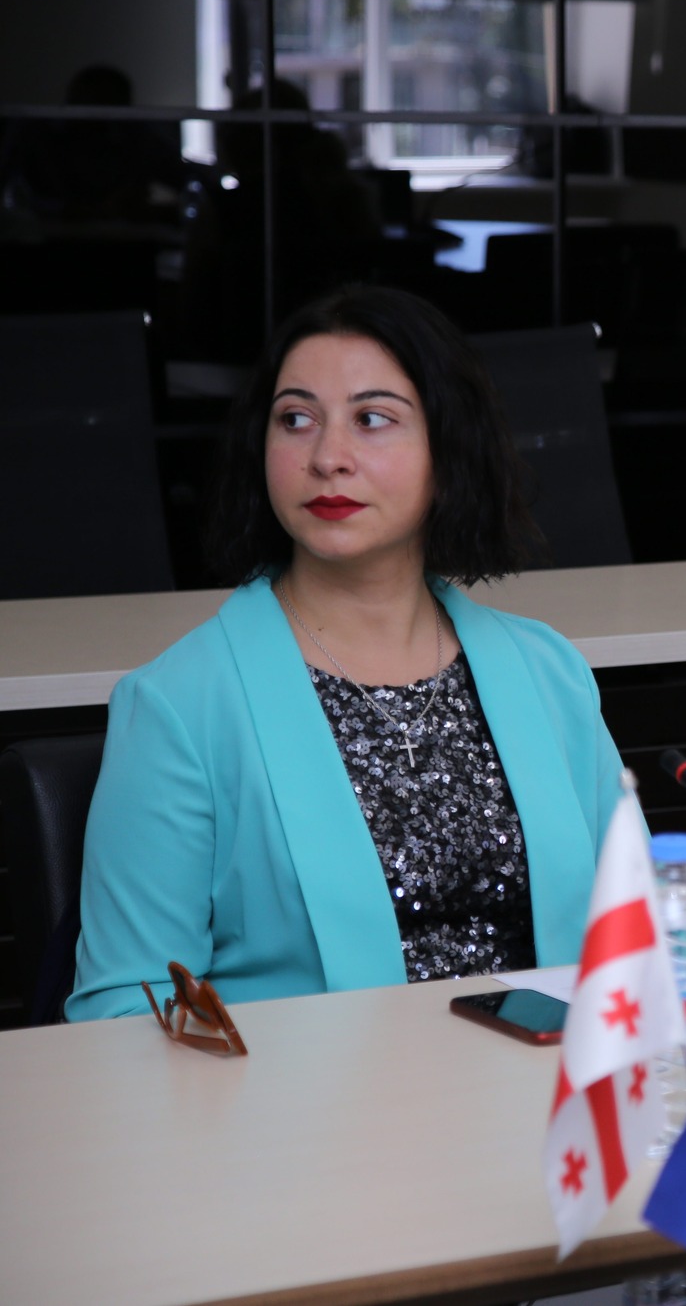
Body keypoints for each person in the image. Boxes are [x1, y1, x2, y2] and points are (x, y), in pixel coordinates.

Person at [67, 286, 626, 1021]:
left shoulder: (549, 673)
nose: (328, 457)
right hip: (305, 1091)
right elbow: (123, 1010)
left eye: (372, 419)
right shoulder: (178, 705)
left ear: (448, 448)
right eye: (295, 420)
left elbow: (636, 937)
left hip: (549, 1080)